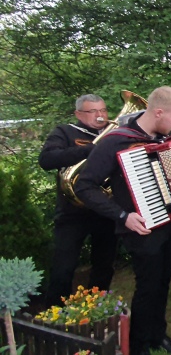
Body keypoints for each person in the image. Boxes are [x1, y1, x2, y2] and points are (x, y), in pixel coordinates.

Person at [74, 86, 171, 354]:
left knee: (163, 281)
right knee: (147, 286)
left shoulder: (167, 138)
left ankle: (157, 335)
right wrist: (122, 215)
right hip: (140, 228)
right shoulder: (115, 141)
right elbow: (85, 186)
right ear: (158, 112)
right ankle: (138, 344)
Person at [39, 94, 117, 307]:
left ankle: (96, 309)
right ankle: (54, 312)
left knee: (104, 265)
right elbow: (46, 160)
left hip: (105, 210)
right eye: (93, 111)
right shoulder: (64, 132)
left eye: (103, 110)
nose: (100, 115)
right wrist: (89, 150)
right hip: (72, 212)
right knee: (63, 266)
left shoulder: (114, 135)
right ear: (78, 114)